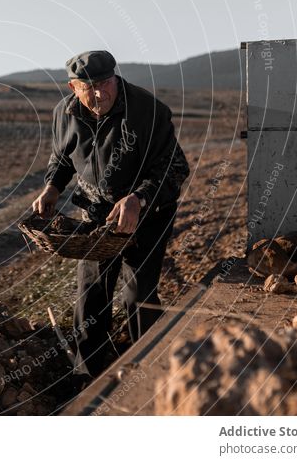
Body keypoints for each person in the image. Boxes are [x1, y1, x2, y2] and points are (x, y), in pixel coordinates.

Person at [31, 50, 190, 379]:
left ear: (116, 78)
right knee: (91, 293)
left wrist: (138, 198)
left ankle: (149, 369)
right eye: (89, 87)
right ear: (73, 87)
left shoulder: (147, 111)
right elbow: (62, 158)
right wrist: (52, 187)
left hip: (148, 211)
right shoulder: (65, 113)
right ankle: (88, 375)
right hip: (98, 213)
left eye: (105, 83)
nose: (99, 93)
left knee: (138, 292)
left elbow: (175, 168)